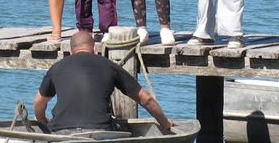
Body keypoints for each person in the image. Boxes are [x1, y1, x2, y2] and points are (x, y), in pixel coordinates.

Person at [34, 31, 174, 133]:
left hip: (61, 130)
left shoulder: (57, 67)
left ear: (70, 52)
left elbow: (39, 102)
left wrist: (42, 121)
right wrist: (165, 123)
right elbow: (146, 99)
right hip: (100, 131)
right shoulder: (109, 66)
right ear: (95, 49)